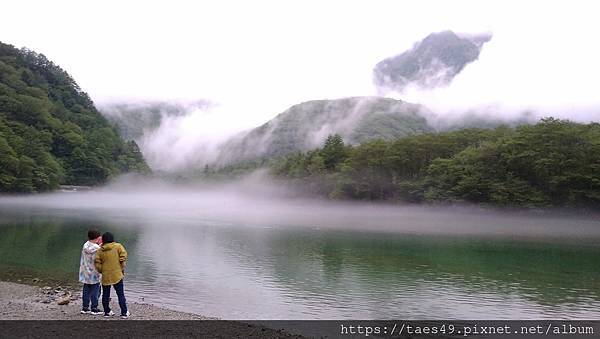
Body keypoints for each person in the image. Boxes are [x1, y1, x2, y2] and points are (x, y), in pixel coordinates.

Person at [94, 232, 130, 318]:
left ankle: (107, 312)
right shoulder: (118, 246)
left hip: (106, 275)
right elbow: (123, 256)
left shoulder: (100, 250)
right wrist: (121, 267)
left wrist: (102, 270)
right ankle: (124, 313)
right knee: (120, 294)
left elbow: (97, 263)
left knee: (105, 294)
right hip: (117, 274)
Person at [78, 229, 103, 315]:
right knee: (95, 290)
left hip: (85, 271)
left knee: (86, 289)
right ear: (97, 238)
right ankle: (94, 308)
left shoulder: (85, 245)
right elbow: (99, 259)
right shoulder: (97, 248)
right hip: (95, 272)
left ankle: (85, 308)